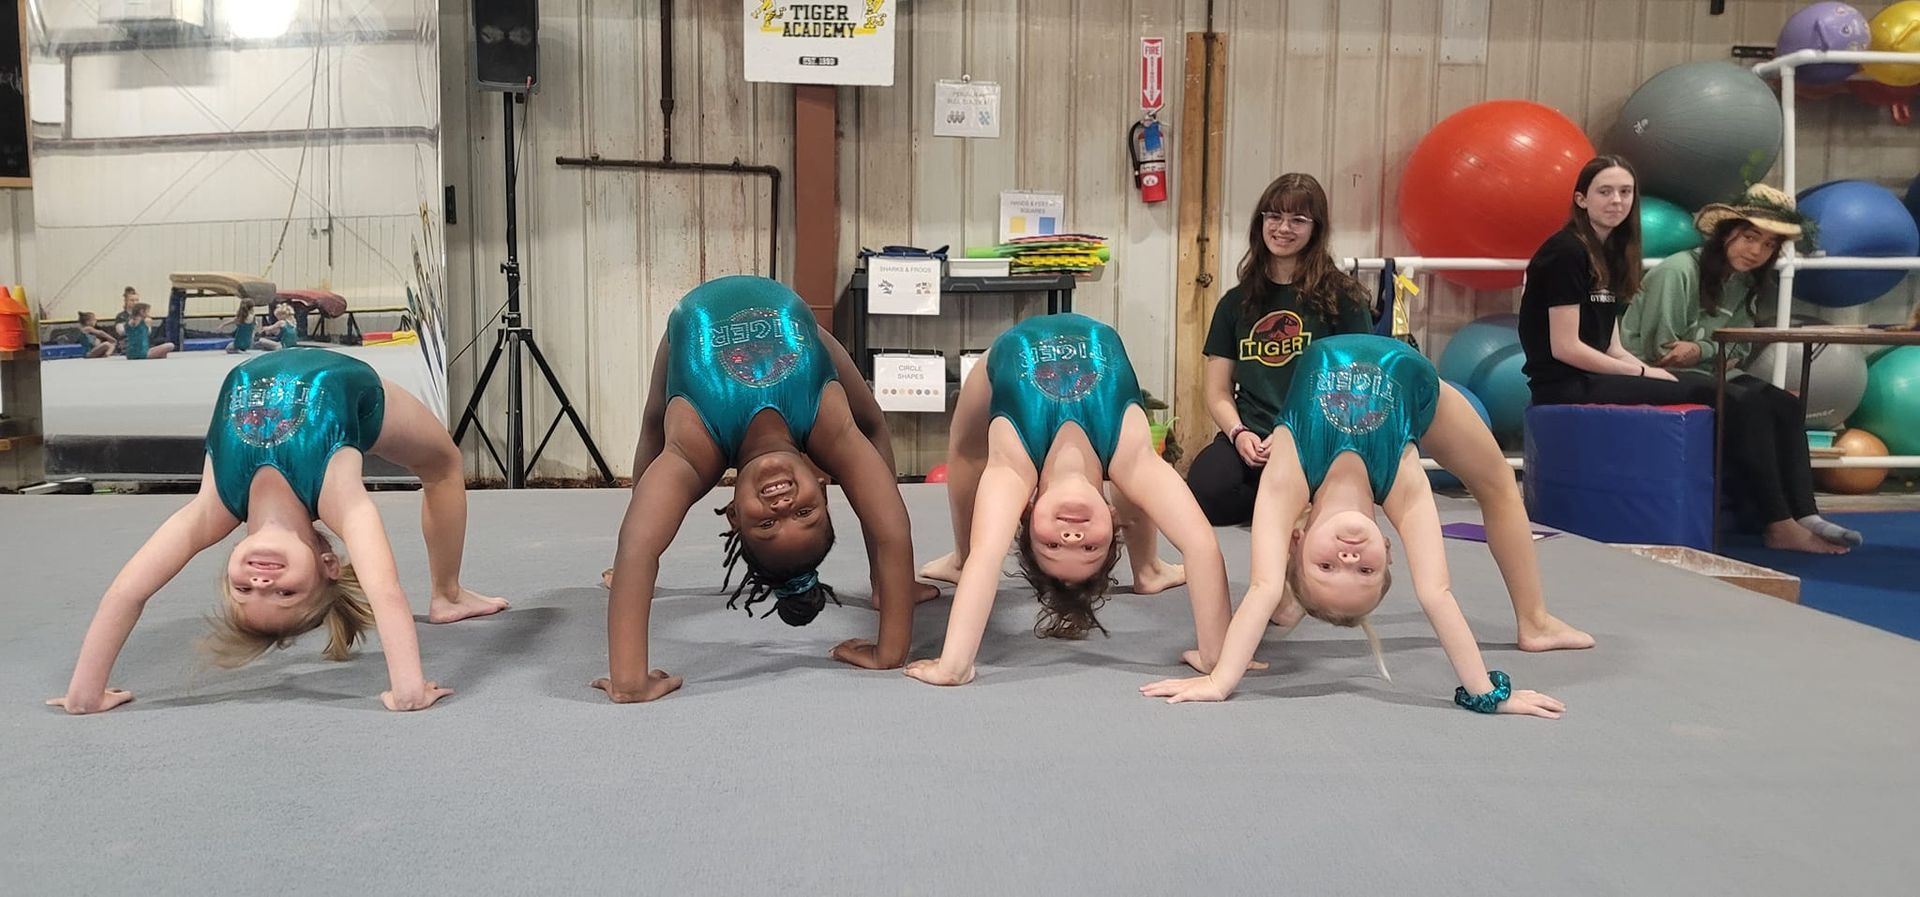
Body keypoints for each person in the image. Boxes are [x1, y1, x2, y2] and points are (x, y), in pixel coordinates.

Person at [47, 348, 507, 714]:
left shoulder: (214, 506)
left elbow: (128, 591)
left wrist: (86, 693)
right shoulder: (337, 498)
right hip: (355, 392)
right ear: (328, 565)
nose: (261, 583)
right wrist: (408, 688)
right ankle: (446, 595)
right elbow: (384, 590)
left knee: (444, 464)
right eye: (285, 595)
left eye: (243, 590)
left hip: (266, 369)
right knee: (444, 463)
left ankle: (447, 596)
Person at [1141, 334, 1565, 718]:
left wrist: (1220, 682)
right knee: (1500, 488)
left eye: (1326, 566)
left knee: (1280, 598)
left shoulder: (1287, 479)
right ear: (1387, 548)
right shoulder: (1402, 485)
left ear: (1297, 540)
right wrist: (1487, 692)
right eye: (1365, 570)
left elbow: (1263, 587)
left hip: (1341, 354)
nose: (1348, 557)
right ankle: (1536, 621)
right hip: (1420, 392)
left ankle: (1535, 622)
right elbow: (1436, 593)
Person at [594, 275, 933, 704]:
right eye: (804, 513)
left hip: (686, 333)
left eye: (767, 523)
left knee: (654, 425)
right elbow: (892, 530)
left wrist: (628, 681)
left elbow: (639, 547)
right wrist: (889, 653)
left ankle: (887, 581)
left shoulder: (694, 450)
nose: (784, 503)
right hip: (800, 332)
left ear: (734, 515)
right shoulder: (829, 428)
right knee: (871, 425)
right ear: (825, 490)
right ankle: (886, 584)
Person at [907, 313, 1240, 687]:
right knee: (1139, 476)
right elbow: (1201, 545)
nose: (1072, 538)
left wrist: (954, 666)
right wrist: (1217, 655)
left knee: (966, 449)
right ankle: (1148, 569)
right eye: (1091, 548)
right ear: (1112, 519)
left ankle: (959, 559)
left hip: (1000, 356)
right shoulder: (1131, 457)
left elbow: (988, 555)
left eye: (1051, 544)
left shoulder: (1012, 469)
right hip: (1111, 425)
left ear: (1027, 513)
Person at [1620, 185, 1856, 553]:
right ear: (1726, 232)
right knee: (1749, 405)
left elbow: (1740, 349)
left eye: (1768, 245)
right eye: (1750, 237)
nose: (1756, 251)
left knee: (1786, 404)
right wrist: (1711, 351)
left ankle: (1805, 513)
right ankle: (1779, 524)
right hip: (1649, 373)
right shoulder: (1678, 270)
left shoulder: (1744, 282)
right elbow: (1661, 352)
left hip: (1707, 370)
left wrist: (1701, 348)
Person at [1189, 173, 1374, 526]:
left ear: (1315, 229)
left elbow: (1354, 387)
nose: (1283, 228)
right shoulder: (1235, 302)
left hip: (1315, 433)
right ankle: (1284, 497)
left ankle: (1296, 493)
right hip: (1252, 435)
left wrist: (1292, 433)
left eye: (1298, 220)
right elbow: (1217, 390)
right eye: (1274, 217)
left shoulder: (1343, 298)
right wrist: (1238, 433)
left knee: (1323, 492)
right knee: (1207, 492)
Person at [1518, 155, 1712, 408]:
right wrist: (1643, 374)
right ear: (1582, 200)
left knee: (1729, 392)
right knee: (1714, 395)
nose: (1617, 200)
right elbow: (1565, 348)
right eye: (1605, 192)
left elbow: (1613, 348)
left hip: (1596, 377)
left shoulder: (1610, 254)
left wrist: (1652, 373)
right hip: (1564, 384)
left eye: (1625, 191)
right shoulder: (1565, 251)